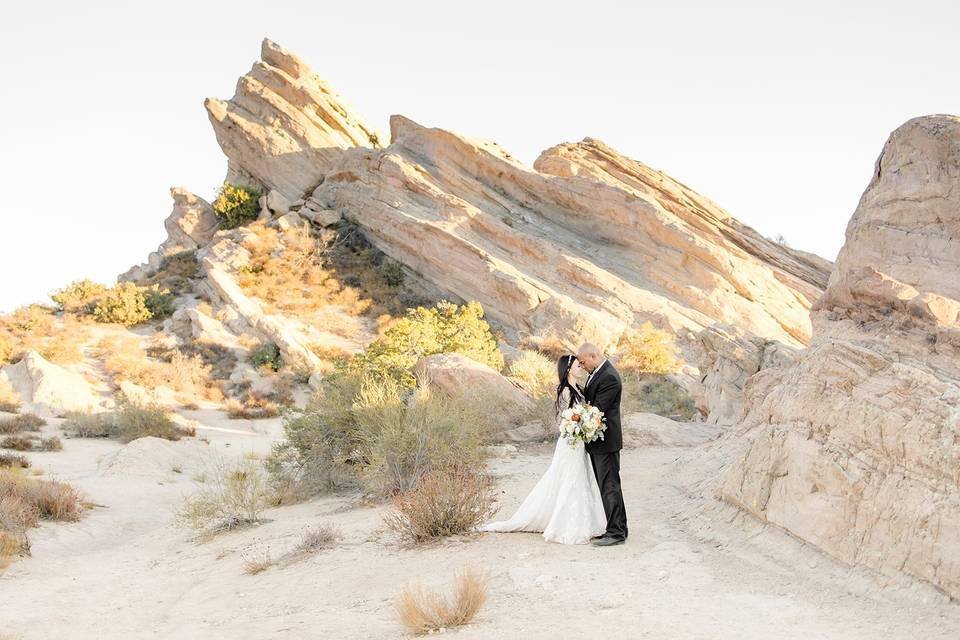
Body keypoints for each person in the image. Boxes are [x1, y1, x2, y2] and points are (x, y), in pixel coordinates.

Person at [478, 354, 607, 544]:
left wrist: (587, 422)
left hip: (578, 441)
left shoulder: (578, 388)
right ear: (567, 368)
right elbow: (567, 418)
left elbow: (580, 413)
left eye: (580, 364)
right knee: (570, 477)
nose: (580, 367)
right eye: (576, 365)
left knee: (579, 476)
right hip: (570, 441)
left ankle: (586, 521)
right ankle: (567, 523)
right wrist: (581, 422)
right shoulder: (564, 390)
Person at [576, 342, 627, 546]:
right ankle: (619, 528)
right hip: (600, 443)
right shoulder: (598, 373)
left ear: (593, 356)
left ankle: (615, 533)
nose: (581, 366)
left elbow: (597, 409)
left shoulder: (609, 377)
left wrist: (577, 418)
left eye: (582, 362)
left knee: (610, 487)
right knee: (608, 486)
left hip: (606, 442)